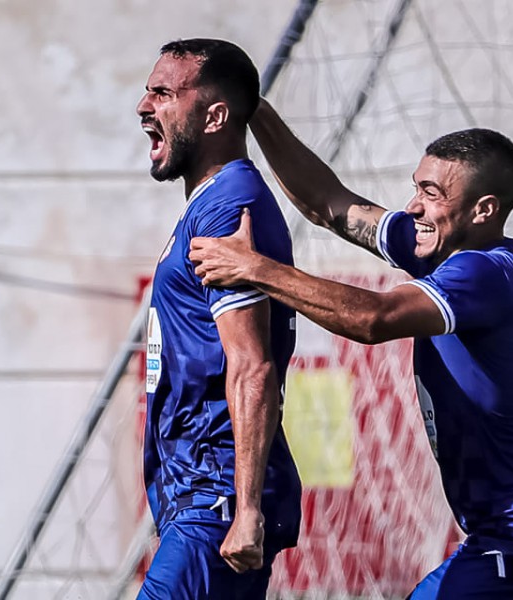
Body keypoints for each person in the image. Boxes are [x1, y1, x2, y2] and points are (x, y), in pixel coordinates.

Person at [188, 99, 513, 599]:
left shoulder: (484, 272)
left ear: (483, 210)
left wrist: (255, 268)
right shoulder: (441, 250)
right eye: (416, 187)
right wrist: (255, 108)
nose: (413, 206)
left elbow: (374, 319)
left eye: (431, 193)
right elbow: (329, 203)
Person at [135, 41, 301, 599]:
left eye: (163, 93)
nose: (144, 106)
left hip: (216, 496)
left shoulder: (227, 207)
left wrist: (247, 509)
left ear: (215, 117)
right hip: (200, 494)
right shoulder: (210, 201)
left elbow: (253, 365)